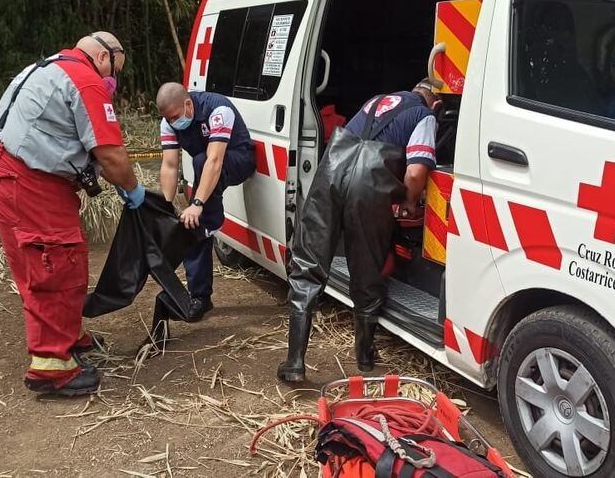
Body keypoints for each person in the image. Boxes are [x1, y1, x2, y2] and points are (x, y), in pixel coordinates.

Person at [0, 32, 144, 396]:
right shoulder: (85, 80)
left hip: (3, 170)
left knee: (43, 261)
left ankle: (68, 335)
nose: (114, 81)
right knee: (56, 263)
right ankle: (52, 364)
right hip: (30, 179)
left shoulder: (45, 68)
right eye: (116, 71)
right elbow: (111, 154)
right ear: (104, 57)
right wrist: (132, 188)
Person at [278, 79, 442, 383]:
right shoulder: (425, 115)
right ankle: (365, 357)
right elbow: (415, 171)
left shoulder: (377, 99)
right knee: (367, 269)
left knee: (308, 265)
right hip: (370, 183)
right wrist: (409, 201)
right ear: (437, 104)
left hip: (332, 169)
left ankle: (294, 363)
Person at [156, 83, 257, 320]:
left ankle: (207, 227)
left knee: (198, 223)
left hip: (238, 160)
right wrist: (166, 206)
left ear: (188, 104)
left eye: (175, 117)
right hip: (206, 167)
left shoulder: (218, 109)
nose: (173, 122)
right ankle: (199, 294)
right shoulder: (169, 122)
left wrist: (197, 204)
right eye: (169, 119)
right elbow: (169, 165)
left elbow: (214, 161)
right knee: (192, 221)